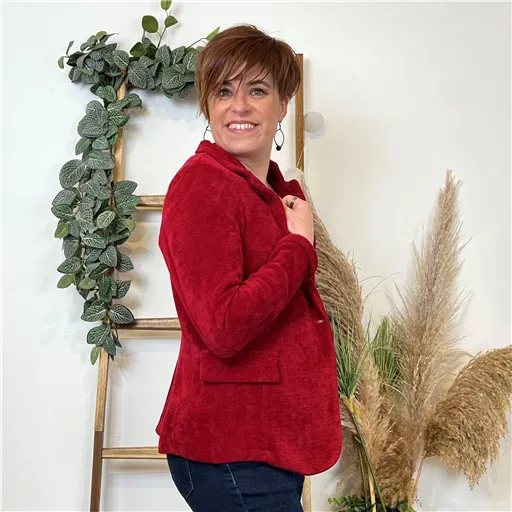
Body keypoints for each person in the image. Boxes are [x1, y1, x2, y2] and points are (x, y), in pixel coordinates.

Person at [157, 24, 342, 512]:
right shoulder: (203, 186)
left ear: (283, 106)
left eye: (257, 90)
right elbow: (223, 325)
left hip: (261, 441)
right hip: (229, 448)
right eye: (224, 91)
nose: (238, 105)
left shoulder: (269, 194)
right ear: (208, 105)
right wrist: (297, 247)